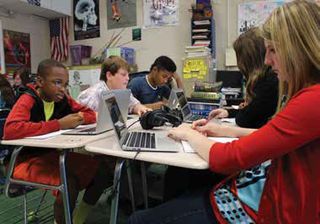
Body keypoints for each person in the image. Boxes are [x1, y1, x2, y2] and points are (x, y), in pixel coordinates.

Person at [127, 1, 320, 223]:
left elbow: (229, 158)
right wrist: (221, 131)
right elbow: (272, 135)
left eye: (273, 50)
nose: (267, 60)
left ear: (300, 48)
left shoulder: (312, 100)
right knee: (189, 182)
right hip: (262, 193)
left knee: (138, 220)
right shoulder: (307, 95)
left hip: (263, 208)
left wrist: (188, 133)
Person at [3, 59, 110, 224]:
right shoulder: (28, 99)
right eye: (57, 82)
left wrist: (79, 118)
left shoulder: (62, 98)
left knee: (102, 170)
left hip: (50, 154)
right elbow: (11, 129)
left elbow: (89, 114)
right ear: (40, 82)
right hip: (22, 160)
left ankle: (76, 219)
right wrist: (59, 124)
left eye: (65, 84)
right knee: (69, 182)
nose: (63, 89)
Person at [209, 27, 278, 128]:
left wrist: (243, 111)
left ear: (248, 59)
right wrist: (228, 112)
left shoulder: (269, 81)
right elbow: (252, 112)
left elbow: (245, 119)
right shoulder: (267, 77)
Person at [78, 55, 150, 116]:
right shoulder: (93, 94)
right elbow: (83, 118)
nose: (128, 78)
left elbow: (134, 104)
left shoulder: (122, 91)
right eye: (123, 75)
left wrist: (140, 108)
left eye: (128, 75)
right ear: (109, 75)